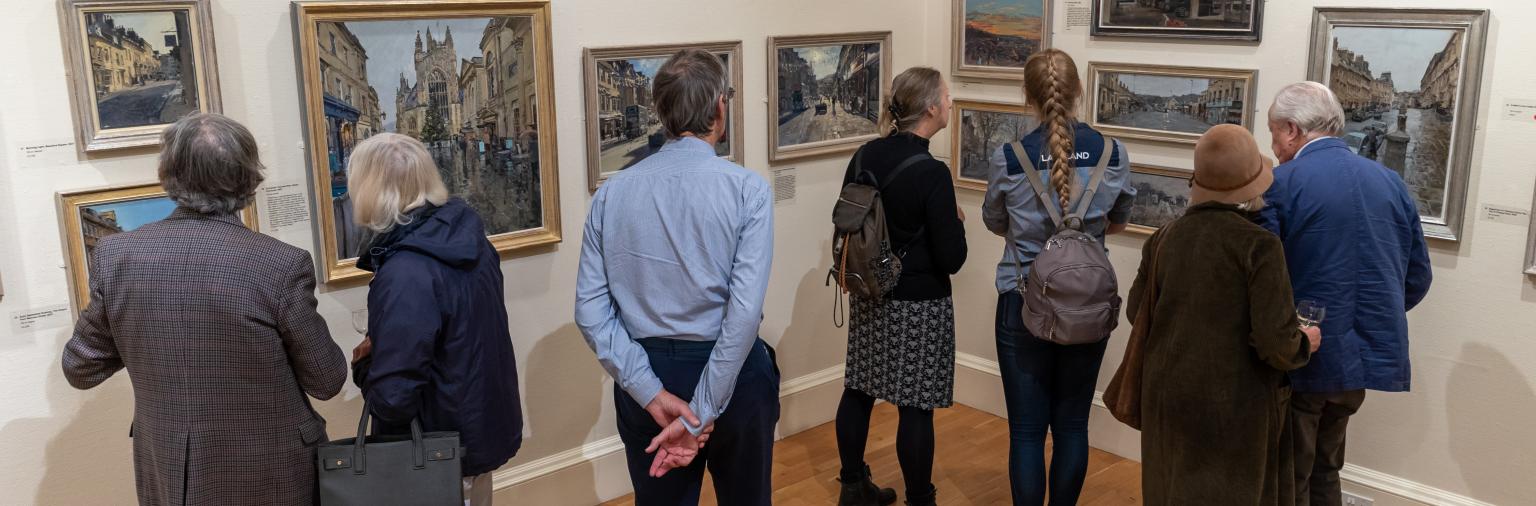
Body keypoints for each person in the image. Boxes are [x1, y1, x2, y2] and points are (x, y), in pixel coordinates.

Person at [61, 113, 347, 505]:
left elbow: (81, 368)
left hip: (170, 468)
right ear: (249, 178)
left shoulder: (116, 257)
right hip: (273, 473)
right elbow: (327, 380)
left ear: (167, 173)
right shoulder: (280, 265)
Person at [575, 48, 779, 505]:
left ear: (661, 112)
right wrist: (700, 412)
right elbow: (743, 315)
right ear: (719, 108)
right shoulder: (747, 190)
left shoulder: (611, 196)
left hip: (647, 376)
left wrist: (651, 394)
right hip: (732, 375)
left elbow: (590, 313)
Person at [1257, 82, 1432, 506]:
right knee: (1327, 468)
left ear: (1294, 130)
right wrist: (1367, 315)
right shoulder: (1390, 182)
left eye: (1275, 132)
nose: (1274, 143)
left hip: (1301, 359)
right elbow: (1417, 278)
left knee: (1288, 474)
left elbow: (1259, 281)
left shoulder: (1281, 184)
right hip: (1360, 360)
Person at [1130, 124, 1323, 505]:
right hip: (1234, 404)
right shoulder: (1259, 246)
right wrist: (1305, 342)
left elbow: (1138, 311)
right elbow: (1275, 343)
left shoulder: (1164, 237)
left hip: (1167, 393)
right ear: (1255, 185)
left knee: (1169, 490)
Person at [981, 48, 1137, 506]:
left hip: (1022, 298)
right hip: (1087, 301)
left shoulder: (1009, 157)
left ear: (1028, 96)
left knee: (1027, 432)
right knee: (1072, 425)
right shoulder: (1111, 152)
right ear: (1080, 92)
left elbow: (995, 221)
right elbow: (1120, 220)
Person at [347, 133, 523, 505]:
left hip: (436, 452)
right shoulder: (469, 239)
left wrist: (364, 365)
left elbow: (393, 397)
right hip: (475, 432)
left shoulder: (407, 272)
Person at [834, 67, 967, 506]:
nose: (950, 102)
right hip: (920, 302)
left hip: (871, 293)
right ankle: (920, 499)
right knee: (915, 407)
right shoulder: (932, 172)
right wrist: (957, 222)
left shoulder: (865, 155)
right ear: (931, 107)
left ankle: (852, 487)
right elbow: (953, 258)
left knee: (859, 389)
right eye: (946, 96)